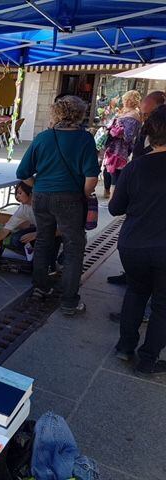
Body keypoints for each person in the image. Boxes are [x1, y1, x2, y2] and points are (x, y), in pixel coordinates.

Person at [16, 95, 100, 316]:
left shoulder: (43, 137)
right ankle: (69, 302)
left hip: (42, 196)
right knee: (74, 247)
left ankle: (40, 288)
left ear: (56, 113)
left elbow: (22, 173)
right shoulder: (85, 139)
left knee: (43, 241)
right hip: (70, 197)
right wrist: (77, 195)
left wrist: (39, 186)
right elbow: (91, 180)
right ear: (80, 115)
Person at [109, 105, 166, 376]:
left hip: (133, 245)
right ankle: (147, 360)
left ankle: (125, 347)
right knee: (162, 306)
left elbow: (115, 208)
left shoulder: (135, 167)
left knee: (136, 292)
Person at [107, 90, 166, 288]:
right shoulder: (138, 163)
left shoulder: (140, 165)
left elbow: (115, 207)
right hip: (144, 239)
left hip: (140, 239)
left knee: (139, 293)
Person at [102, 90, 142, 197]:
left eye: (127, 100)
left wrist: (114, 132)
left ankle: (113, 198)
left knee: (115, 171)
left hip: (120, 149)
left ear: (131, 101)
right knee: (108, 169)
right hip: (113, 147)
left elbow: (128, 137)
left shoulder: (133, 115)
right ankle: (108, 193)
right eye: (125, 99)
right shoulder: (126, 112)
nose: (125, 102)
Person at [0, 181, 37, 252]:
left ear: (30, 193)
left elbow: (54, 228)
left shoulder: (43, 205)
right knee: (16, 239)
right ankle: (31, 257)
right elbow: (4, 231)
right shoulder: (23, 208)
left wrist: (36, 235)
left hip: (50, 233)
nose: (17, 196)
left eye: (20, 193)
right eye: (16, 193)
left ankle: (42, 259)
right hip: (40, 230)